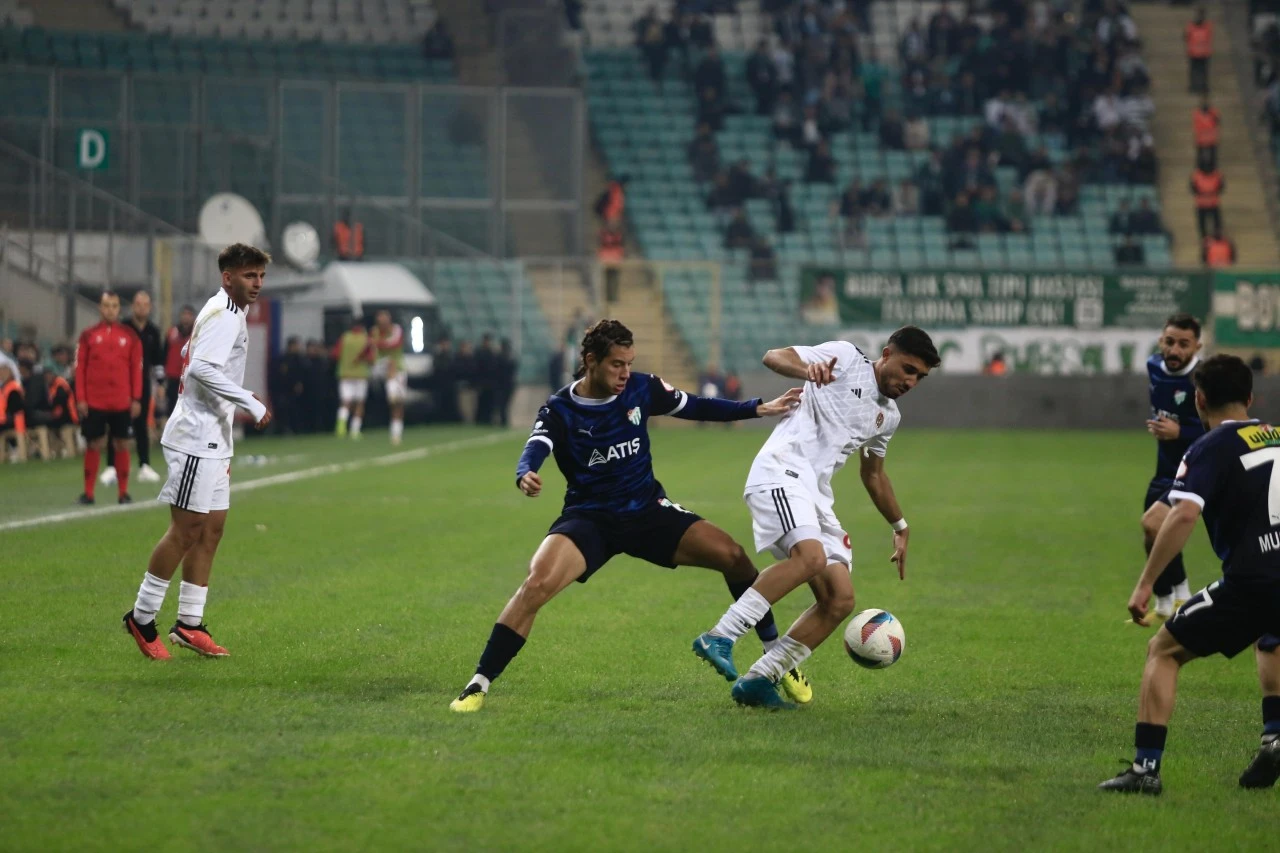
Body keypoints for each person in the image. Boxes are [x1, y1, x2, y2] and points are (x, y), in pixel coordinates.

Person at [448, 319, 807, 713]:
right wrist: (525, 473)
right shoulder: (559, 408)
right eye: (616, 364)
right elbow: (537, 444)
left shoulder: (642, 388)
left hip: (648, 511)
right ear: (590, 361)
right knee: (535, 585)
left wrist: (757, 407)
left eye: (629, 363)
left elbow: (696, 405)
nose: (624, 373)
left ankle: (775, 658)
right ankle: (478, 684)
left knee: (734, 557)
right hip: (590, 520)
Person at [691, 327, 941, 709]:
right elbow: (774, 355)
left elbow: (873, 475)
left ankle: (761, 679)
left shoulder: (887, 417)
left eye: (919, 377)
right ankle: (720, 636)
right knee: (810, 558)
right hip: (780, 470)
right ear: (887, 354)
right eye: (907, 369)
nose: (910, 381)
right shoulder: (845, 358)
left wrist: (900, 526)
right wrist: (807, 371)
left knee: (839, 599)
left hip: (815, 495)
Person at [1099, 355, 1280, 795]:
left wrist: (1146, 583)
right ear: (1250, 398)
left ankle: (1145, 769)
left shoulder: (1208, 446)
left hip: (1254, 579)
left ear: (1199, 399)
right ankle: (1274, 736)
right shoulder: (1275, 435)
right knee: (1271, 637)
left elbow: (1181, 516)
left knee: (1163, 650)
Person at [121, 243, 272, 660]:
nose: (256, 283)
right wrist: (250, 401)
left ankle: (189, 624)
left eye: (260, 276)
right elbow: (200, 369)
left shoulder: (229, 309)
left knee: (211, 529)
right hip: (195, 437)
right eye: (249, 275)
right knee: (186, 530)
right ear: (228, 277)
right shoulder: (224, 314)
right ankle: (142, 616)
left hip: (215, 438)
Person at [1134, 315, 1204, 627]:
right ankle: (1165, 603)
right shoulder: (1153, 366)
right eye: (1169, 341)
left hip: (1190, 471)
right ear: (1161, 341)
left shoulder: (1204, 378)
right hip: (1162, 470)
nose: (1174, 349)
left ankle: (1184, 596)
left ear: (1197, 346)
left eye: (1183, 344)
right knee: (1154, 537)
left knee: (1153, 524)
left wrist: (1181, 430)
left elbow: (1218, 428)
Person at [76, 291, 142, 505]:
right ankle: (88, 493)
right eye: (106, 305)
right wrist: (81, 398)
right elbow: (80, 369)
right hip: (95, 400)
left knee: (122, 443)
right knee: (93, 443)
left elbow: (136, 369)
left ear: (119, 309)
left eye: (114, 306)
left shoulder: (130, 336)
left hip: (122, 400)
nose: (110, 310)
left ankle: (123, 493)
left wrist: (136, 398)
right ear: (100, 308)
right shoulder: (88, 335)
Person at [119, 291, 164, 484]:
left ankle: (144, 465)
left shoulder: (153, 331)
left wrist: (160, 383)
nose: (141, 308)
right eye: (138, 304)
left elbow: (158, 361)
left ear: (150, 307)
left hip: (143, 382)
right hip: (122, 382)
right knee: (118, 424)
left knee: (141, 424)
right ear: (133, 306)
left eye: (145, 304)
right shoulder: (124, 327)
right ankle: (114, 466)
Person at [371, 310, 407, 444]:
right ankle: (391, 390)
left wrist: (379, 343)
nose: (383, 323)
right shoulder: (374, 331)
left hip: (399, 369)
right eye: (381, 320)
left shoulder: (396, 330)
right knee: (390, 362)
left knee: (398, 405)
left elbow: (395, 343)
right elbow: (372, 346)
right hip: (381, 366)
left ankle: (396, 434)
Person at [334, 317, 372, 439]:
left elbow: (336, 354)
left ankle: (341, 426)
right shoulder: (366, 339)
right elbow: (371, 358)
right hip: (361, 375)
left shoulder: (344, 338)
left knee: (345, 401)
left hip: (345, 374)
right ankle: (355, 430)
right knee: (359, 403)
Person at [163, 305, 196, 419]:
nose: (186, 317)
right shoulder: (172, 333)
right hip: (173, 378)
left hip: (189, 378)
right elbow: (164, 354)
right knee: (172, 409)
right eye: (184, 314)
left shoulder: (196, 334)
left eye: (189, 315)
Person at [1190, 158, 1223, 239]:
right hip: (1202, 203)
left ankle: (1216, 236)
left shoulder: (1216, 174)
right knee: (1203, 223)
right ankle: (1204, 237)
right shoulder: (1197, 175)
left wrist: (1208, 192)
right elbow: (1193, 188)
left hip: (1212, 202)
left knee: (1216, 222)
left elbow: (1221, 186)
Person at [1185, 6, 1213, 96]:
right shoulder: (1191, 26)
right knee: (1194, 71)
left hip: (1204, 52)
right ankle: (1194, 86)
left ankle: (1203, 86)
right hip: (1194, 52)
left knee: (1204, 71)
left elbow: (1209, 38)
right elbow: (1186, 37)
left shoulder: (1207, 26)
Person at [495, 338, 517, 428]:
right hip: (508, 385)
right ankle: (504, 420)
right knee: (504, 405)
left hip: (502, 385)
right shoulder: (511, 358)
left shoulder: (500, 357)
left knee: (502, 405)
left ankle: (503, 421)